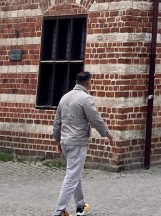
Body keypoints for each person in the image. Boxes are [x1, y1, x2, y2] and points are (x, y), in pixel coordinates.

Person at [52, 71, 111, 216]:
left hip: (65, 141)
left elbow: (57, 122)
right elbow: (95, 118)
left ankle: (80, 206)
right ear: (88, 82)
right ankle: (60, 210)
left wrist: (58, 140)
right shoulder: (86, 98)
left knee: (74, 173)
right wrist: (106, 133)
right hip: (77, 142)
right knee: (72, 176)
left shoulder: (64, 97)